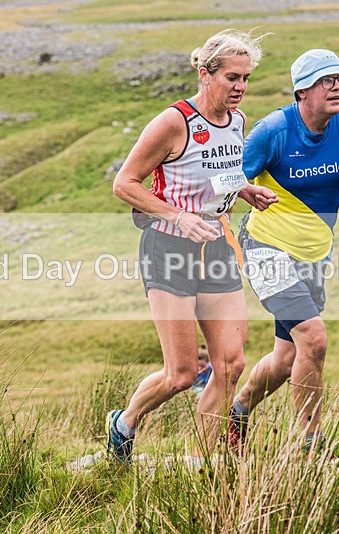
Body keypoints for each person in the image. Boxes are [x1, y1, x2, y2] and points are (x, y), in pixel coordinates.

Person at [108, 30, 278, 464]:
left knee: (230, 364)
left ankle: (210, 466)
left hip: (216, 247)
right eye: (232, 77)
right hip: (168, 249)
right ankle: (124, 424)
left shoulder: (237, 122)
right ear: (205, 74)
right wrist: (177, 216)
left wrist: (243, 191)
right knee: (182, 374)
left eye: (246, 78)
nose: (240, 87)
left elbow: (214, 174)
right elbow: (124, 184)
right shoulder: (173, 122)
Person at [229, 49, 339, 453]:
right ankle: (312, 444)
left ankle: (240, 409)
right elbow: (226, 180)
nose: (336, 87)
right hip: (266, 248)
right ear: (302, 91)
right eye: (325, 80)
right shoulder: (274, 130)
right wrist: (244, 191)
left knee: (286, 358)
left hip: (313, 252)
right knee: (313, 339)